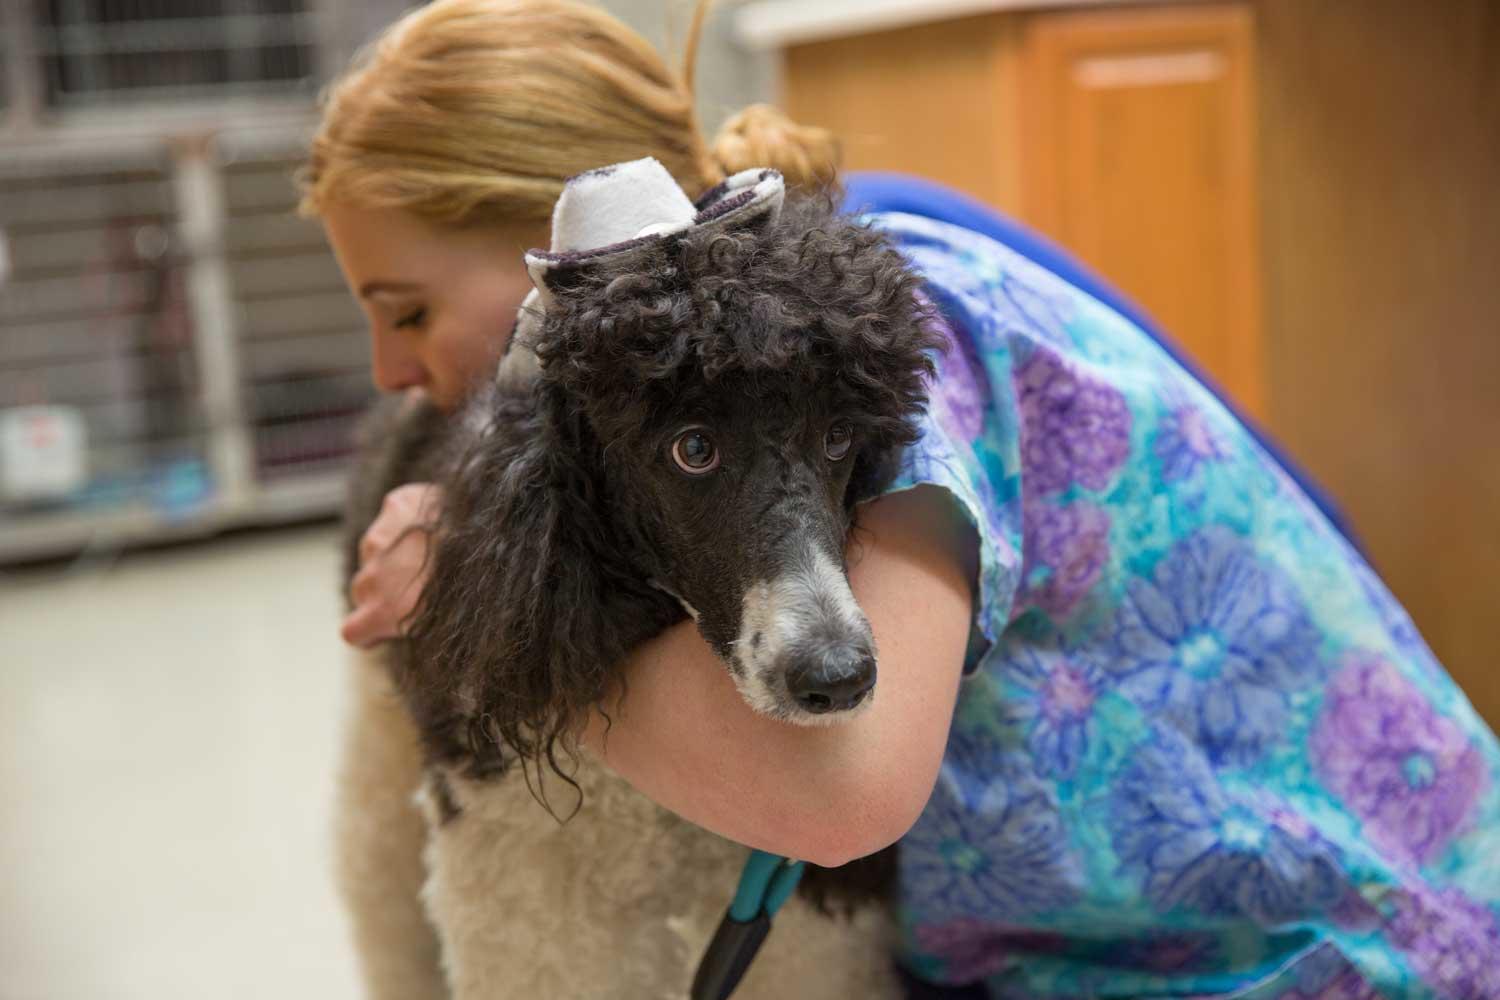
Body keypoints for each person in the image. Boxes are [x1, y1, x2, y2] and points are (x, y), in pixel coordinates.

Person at [302, 1, 1500, 997]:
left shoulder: (863, 332)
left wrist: (476, 610)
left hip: (1323, 948)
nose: (388, 376)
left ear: (567, 228)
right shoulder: (800, 275)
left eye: (405, 309)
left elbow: (843, 797)